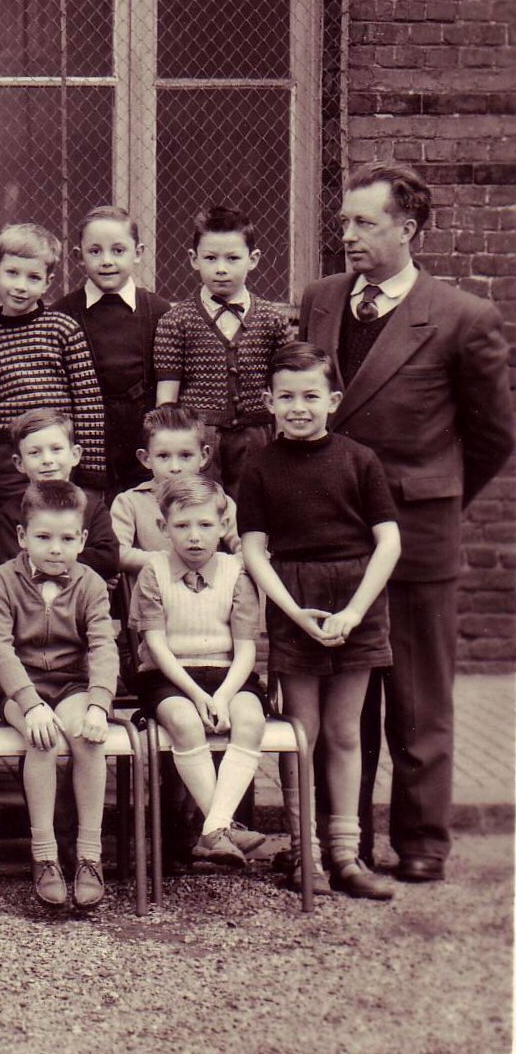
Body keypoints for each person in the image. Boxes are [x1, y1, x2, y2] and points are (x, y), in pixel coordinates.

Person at [297, 163, 514, 883]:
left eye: (365, 222)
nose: (348, 234)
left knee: (418, 701)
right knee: (343, 698)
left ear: (407, 229)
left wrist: (433, 498)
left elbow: (492, 436)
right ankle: (345, 841)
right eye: (344, 220)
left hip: (418, 536)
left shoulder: (461, 317)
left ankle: (422, 841)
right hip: (331, 537)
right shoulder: (322, 300)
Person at [238, 341, 403, 898]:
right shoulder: (260, 466)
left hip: (357, 599)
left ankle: (346, 855)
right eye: (286, 397)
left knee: (345, 731)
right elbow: (254, 550)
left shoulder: (360, 459)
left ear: (333, 400)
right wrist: (293, 613)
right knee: (300, 733)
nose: (299, 407)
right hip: (296, 601)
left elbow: (389, 541)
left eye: (311, 396)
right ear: (269, 401)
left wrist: (355, 611)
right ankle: (304, 853)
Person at [0, 480, 118, 912]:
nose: (55, 549)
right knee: (41, 738)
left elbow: (103, 647)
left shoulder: (91, 583)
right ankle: (44, 855)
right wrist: (30, 704)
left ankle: (89, 855)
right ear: (23, 537)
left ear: (82, 539)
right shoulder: (2, 580)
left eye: (66, 539)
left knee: (86, 736)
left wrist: (98, 703)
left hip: (72, 684)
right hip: (19, 687)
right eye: (43, 537)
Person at [128, 475, 268, 867]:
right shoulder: (153, 571)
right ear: (163, 527)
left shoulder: (236, 572)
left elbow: (245, 649)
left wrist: (221, 696)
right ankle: (222, 827)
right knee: (186, 722)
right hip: (169, 676)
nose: (194, 536)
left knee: (251, 720)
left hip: (228, 675)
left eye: (205, 525)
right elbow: (156, 645)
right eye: (182, 525)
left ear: (222, 526)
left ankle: (213, 829)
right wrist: (197, 695)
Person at [153, 204, 293, 490]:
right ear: (194, 259)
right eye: (210, 258)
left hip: (257, 434)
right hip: (199, 438)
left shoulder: (273, 319)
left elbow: (286, 384)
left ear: (253, 259)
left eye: (232, 258)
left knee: (253, 502)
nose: (221, 269)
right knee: (199, 503)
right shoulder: (176, 320)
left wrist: (283, 436)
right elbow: (167, 398)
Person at [0, 222, 107, 524]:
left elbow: (88, 403)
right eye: (12, 273)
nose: (21, 286)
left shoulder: (62, 329)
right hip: (10, 460)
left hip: (57, 456)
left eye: (33, 277)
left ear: (48, 282)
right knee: (17, 522)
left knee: (61, 522)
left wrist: (91, 474)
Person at [52, 206, 171, 496]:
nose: (107, 261)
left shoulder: (157, 310)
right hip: (86, 431)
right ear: (79, 256)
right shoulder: (62, 313)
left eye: (118, 251)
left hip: (141, 430)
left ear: (138, 253)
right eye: (95, 251)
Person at [0, 408, 119, 584]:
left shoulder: (92, 506)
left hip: (83, 598)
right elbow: (13, 569)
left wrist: (42, 562)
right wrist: (84, 573)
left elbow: (107, 559)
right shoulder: (10, 514)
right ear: (19, 463)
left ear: (75, 455)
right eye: (34, 453)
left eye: (56, 449)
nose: (47, 460)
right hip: (29, 598)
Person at [110, 405, 239, 576]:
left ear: (204, 456)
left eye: (185, 456)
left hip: (209, 589)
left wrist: (217, 564)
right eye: (163, 456)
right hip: (154, 590)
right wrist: (172, 562)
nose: (175, 467)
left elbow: (246, 549)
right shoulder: (130, 502)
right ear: (146, 458)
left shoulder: (217, 499)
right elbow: (117, 553)